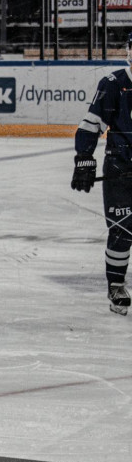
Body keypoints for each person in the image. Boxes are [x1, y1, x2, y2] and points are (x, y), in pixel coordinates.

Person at [71, 30, 132, 316]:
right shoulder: (113, 84)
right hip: (120, 169)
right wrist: (84, 158)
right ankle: (116, 285)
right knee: (122, 230)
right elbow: (92, 123)